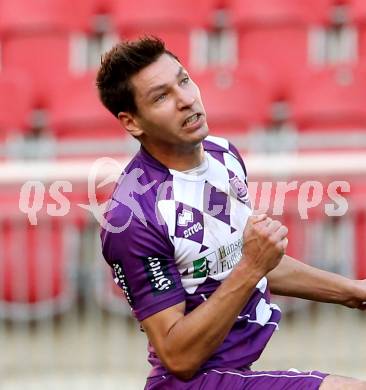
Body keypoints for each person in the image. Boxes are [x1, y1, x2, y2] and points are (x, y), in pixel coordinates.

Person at [96, 37, 366, 389]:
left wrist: (353, 291)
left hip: (238, 373)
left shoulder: (222, 155)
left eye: (184, 80)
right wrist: (253, 265)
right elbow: (179, 357)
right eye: (161, 96)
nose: (186, 99)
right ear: (132, 122)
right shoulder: (131, 217)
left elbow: (242, 260)